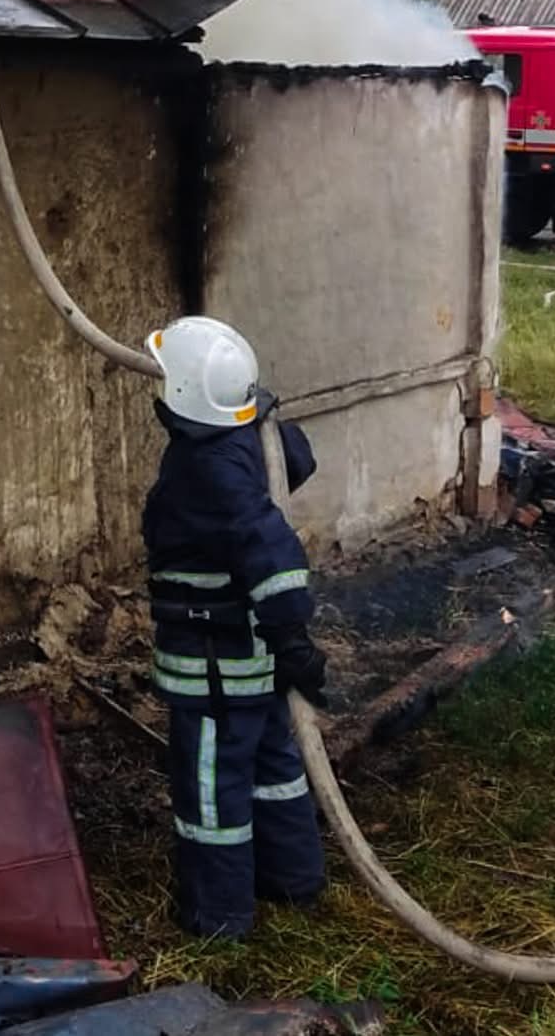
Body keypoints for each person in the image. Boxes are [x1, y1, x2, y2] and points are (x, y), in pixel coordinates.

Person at [142, 316, 328, 939]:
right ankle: (293, 880)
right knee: (275, 768)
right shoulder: (241, 447)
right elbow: (292, 455)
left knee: (212, 793)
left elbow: (267, 548)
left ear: (184, 395)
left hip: (214, 666)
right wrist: (256, 417)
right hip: (253, 664)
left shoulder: (207, 470)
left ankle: (218, 916)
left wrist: (293, 635)